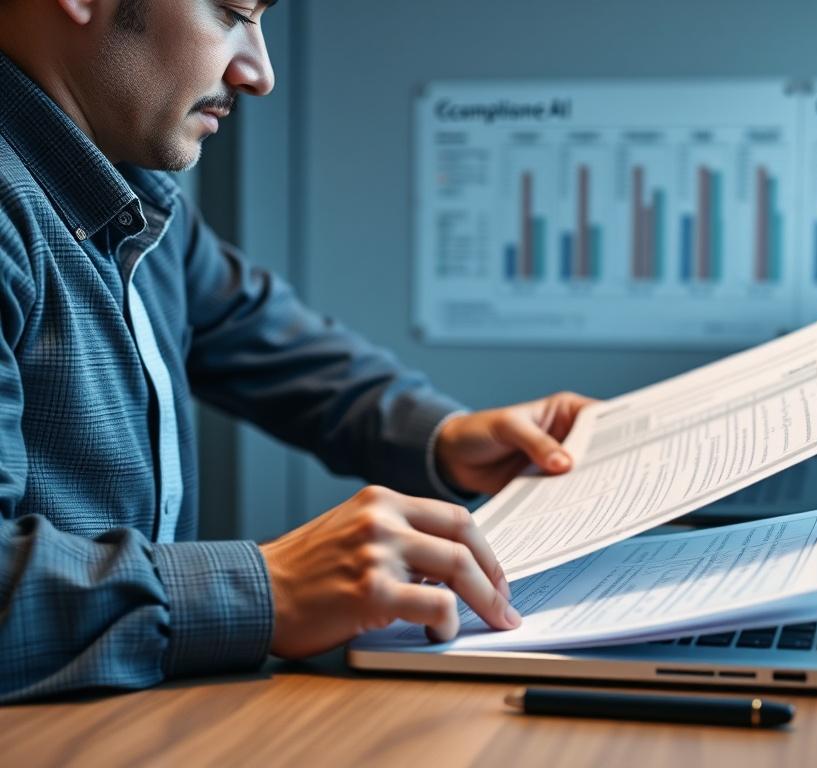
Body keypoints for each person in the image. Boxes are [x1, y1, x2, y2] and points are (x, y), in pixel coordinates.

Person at [0, 0, 592, 702]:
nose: (259, 73)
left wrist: (445, 437)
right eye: (229, 14)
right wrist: (268, 586)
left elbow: (258, 330)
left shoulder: (128, 187)